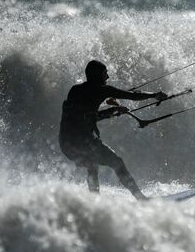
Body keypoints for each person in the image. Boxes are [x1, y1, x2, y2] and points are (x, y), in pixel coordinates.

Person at [59, 60, 167, 199]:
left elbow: (84, 117)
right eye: (105, 74)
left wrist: (113, 110)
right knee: (117, 162)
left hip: (66, 143)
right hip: (82, 141)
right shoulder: (103, 90)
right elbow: (132, 96)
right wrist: (154, 95)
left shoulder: (75, 90)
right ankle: (140, 198)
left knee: (92, 166)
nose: (107, 77)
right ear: (98, 76)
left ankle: (94, 201)